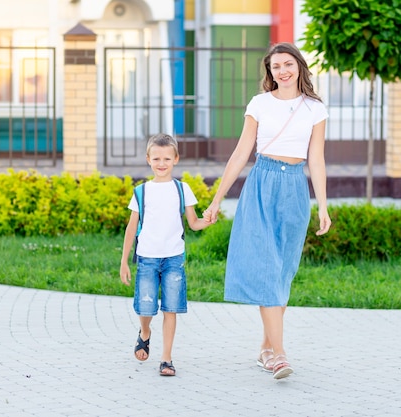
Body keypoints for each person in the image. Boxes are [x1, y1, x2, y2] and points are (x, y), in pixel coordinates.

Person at [203, 42, 332, 380]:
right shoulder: (259, 104)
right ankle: (280, 356)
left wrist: (323, 205)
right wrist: (218, 199)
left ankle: (265, 349)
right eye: (276, 66)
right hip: (261, 184)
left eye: (288, 64)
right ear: (270, 72)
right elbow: (241, 152)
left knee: (283, 272)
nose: (282, 71)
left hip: (295, 189)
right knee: (266, 269)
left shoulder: (315, 109)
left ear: (299, 67)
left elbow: (316, 159)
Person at [120, 133, 213, 377]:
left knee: (170, 309)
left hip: (173, 258)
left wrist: (209, 220)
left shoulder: (182, 189)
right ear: (148, 159)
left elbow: (193, 223)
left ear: (176, 159)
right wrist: (124, 261)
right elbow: (132, 228)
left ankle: (166, 358)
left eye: (167, 159)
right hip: (147, 258)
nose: (162, 164)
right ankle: (145, 332)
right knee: (145, 308)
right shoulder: (141, 192)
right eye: (157, 158)